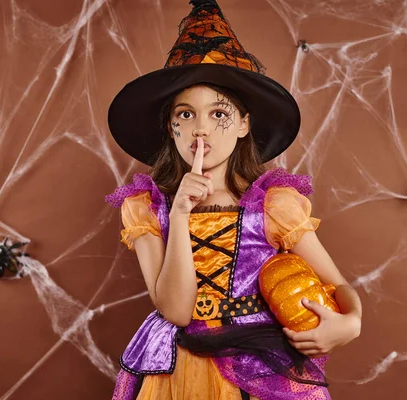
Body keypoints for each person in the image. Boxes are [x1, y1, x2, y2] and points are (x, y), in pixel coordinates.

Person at [105, 1, 362, 399]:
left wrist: (351, 323)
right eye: (185, 115)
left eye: (219, 114)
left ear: (244, 124)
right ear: (170, 130)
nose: (201, 129)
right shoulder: (146, 208)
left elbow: (338, 285)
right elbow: (175, 311)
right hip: (179, 368)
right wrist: (180, 211)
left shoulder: (274, 205)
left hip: (262, 362)